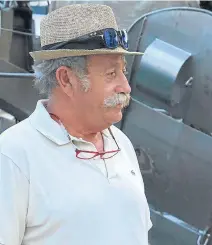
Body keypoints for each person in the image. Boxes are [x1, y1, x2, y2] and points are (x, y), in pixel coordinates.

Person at [0, 4, 152, 245]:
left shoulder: (121, 144)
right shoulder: (13, 155)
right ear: (66, 79)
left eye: (123, 71)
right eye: (111, 74)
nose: (126, 86)